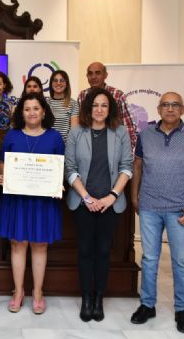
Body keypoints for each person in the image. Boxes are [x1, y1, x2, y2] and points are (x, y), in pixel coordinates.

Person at [130, 92, 184, 334]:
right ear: (159, 109)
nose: (170, 109)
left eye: (175, 105)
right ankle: (147, 305)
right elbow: (138, 166)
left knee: (181, 261)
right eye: (165, 105)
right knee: (149, 259)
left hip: (181, 210)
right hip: (150, 208)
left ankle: (182, 309)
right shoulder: (145, 135)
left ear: (183, 110)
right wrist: (135, 197)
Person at [64, 87, 133, 322]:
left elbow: (127, 167)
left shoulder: (120, 132)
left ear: (110, 108)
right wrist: (86, 197)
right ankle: (86, 298)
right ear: (88, 108)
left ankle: (98, 298)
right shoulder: (76, 133)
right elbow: (70, 168)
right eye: (95, 105)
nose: (99, 109)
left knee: (103, 252)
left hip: (110, 203)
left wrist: (112, 196)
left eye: (104, 105)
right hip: (83, 202)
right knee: (85, 251)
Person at [0, 93, 65, 315]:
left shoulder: (55, 138)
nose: (32, 112)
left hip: (43, 200)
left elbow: (60, 167)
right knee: (17, 243)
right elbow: (2, 163)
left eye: (36, 108)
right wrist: (3, 175)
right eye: (27, 109)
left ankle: (38, 292)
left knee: (40, 244)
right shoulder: (12, 136)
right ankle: (18, 291)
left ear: (44, 111)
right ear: (21, 113)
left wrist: (58, 183)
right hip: (17, 198)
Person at [77, 62, 137, 149]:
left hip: (114, 148)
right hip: (88, 148)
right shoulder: (82, 96)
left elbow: (129, 128)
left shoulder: (118, 95)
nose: (93, 77)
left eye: (98, 73)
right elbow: (80, 124)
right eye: (90, 73)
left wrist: (125, 152)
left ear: (105, 75)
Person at [47, 70, 79, 142]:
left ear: (67, 84)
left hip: (66, 146)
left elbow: (74, 132)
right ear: (51, 84)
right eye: (55, 80)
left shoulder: (73, 104)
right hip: (48, 146)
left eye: (62, 80)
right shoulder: (45, 103)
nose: (58, 83)